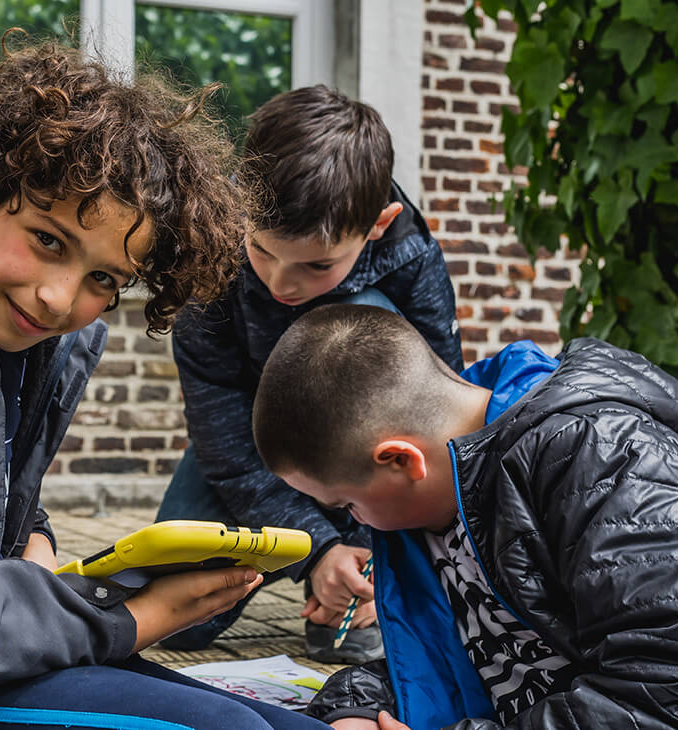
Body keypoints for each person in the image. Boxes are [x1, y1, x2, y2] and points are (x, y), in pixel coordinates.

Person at [0, 35, 327, 730]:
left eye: (103, 280)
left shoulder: (34, 340)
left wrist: (38, 544)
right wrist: (132, 619)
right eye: (49, 240)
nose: (57, 298)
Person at [251, 303, 678, 729]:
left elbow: (676, 690)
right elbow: (461, 658)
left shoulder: (605, 459)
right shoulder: (431, 508)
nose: (359, 522)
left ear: (402, 461)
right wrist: (355, 707)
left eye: (346, 505)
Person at [156, 85, 463, 662]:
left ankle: (366, 592)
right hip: (252, 440)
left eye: (316, 265)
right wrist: (316, 550)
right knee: (176, 623)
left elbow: (438, 429)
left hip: (361, 446)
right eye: (262, 250)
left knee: (378, 328)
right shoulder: (205, 249)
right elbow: (220, 434)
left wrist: (363, 560)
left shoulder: (410, 260)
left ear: (379, 223)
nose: (280, 284)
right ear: (242, 208)